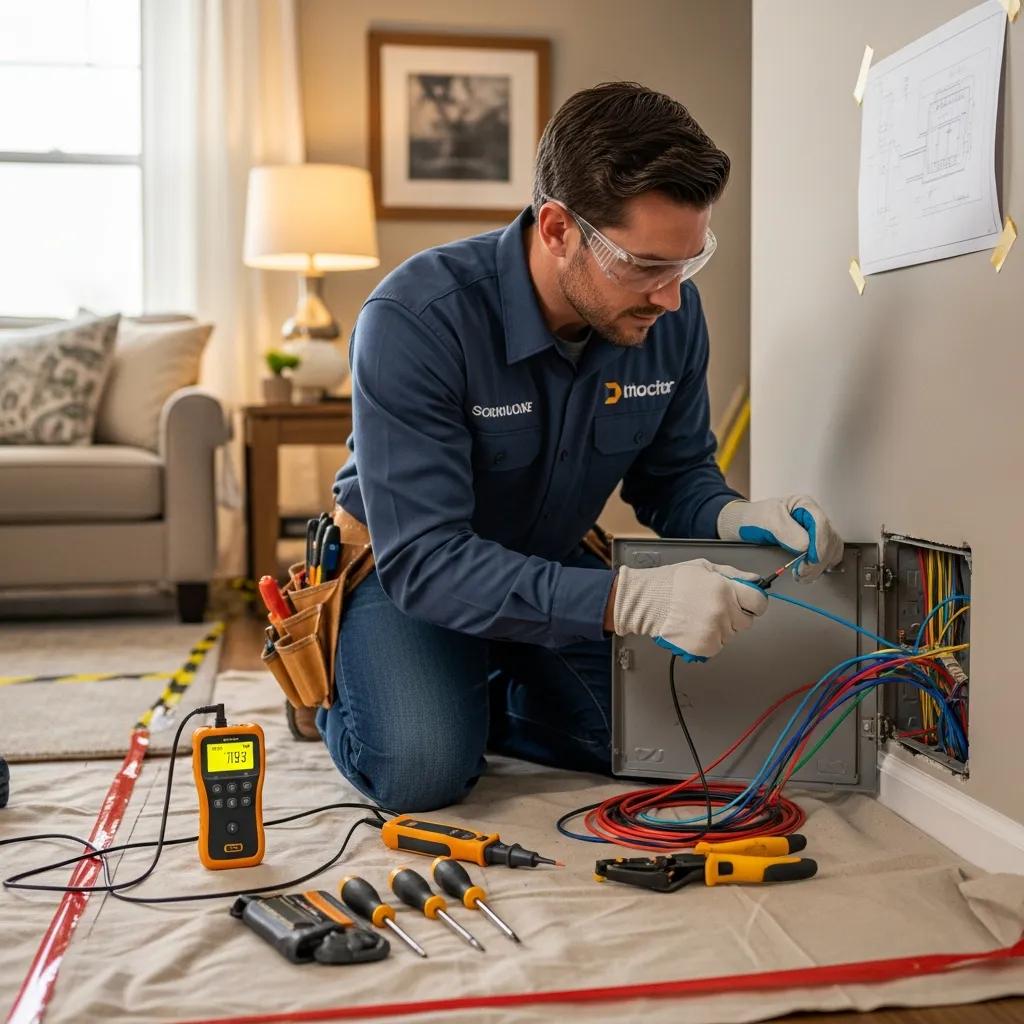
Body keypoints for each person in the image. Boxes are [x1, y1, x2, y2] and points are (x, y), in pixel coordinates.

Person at [314, 82, 844, 811]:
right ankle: (341, 686)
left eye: (688, 263)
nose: (671, 295)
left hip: (548, 558)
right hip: (411, 572)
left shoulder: (668, 318)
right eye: (647, 265)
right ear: (558, 227)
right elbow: (429, 561)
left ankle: (481, 685)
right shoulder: (416, 320)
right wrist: (626, 599)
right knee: (423, 769)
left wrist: (736, 516)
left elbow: (675, 477)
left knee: (673, 740)